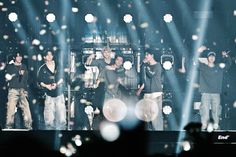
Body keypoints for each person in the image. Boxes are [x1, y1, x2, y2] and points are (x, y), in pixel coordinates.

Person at [198, 50, 231, 130]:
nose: (212, 57)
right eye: (210, 56)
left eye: (213, 56)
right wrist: (198, 52)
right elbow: (194, 61)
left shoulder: (219, 67)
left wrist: (226, 56)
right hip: (205, 93)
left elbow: (228, 65)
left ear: (215, 58)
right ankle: (204, 124)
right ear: (207, 58)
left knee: (216, 110)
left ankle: (216, 124)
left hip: (216, 93)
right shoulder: (203, 67)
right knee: (204, 109)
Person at [37, 50, 66, 130]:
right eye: (47, 55)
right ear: (44, 57)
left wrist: (56, 84)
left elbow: (63, 77)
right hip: (49, 96)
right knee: (49, 120)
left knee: (62, 119)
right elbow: (39, 81)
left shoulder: (58, 66)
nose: (49, 56)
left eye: (51, 55)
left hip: (59, 94)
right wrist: (46, 86)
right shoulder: (42, 68)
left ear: (53, 56)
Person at [136, 49, 163, 131]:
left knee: (155, 116)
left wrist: (144, 65)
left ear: (152, 55)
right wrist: (140, 89)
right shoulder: (146, 66)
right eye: (145, 55)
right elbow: (145, 79)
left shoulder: (157, 65)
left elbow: (151, 75)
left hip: (156, 93)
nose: (146, 56)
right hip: (147, 93)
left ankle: (159, 133)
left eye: (147, 55)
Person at [5, 52, 32, 129]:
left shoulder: (24, 66)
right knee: (11, 109)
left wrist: (26, 90)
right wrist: (18, 73)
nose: (19, 58)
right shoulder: (10, 67)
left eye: (20, 56)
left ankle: (28, 127)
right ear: (14, 58)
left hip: (23, 90)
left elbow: (26, 80)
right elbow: (7, 78)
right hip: (13, 90)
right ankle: (8, 127)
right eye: (17, 56)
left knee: (26, 109)